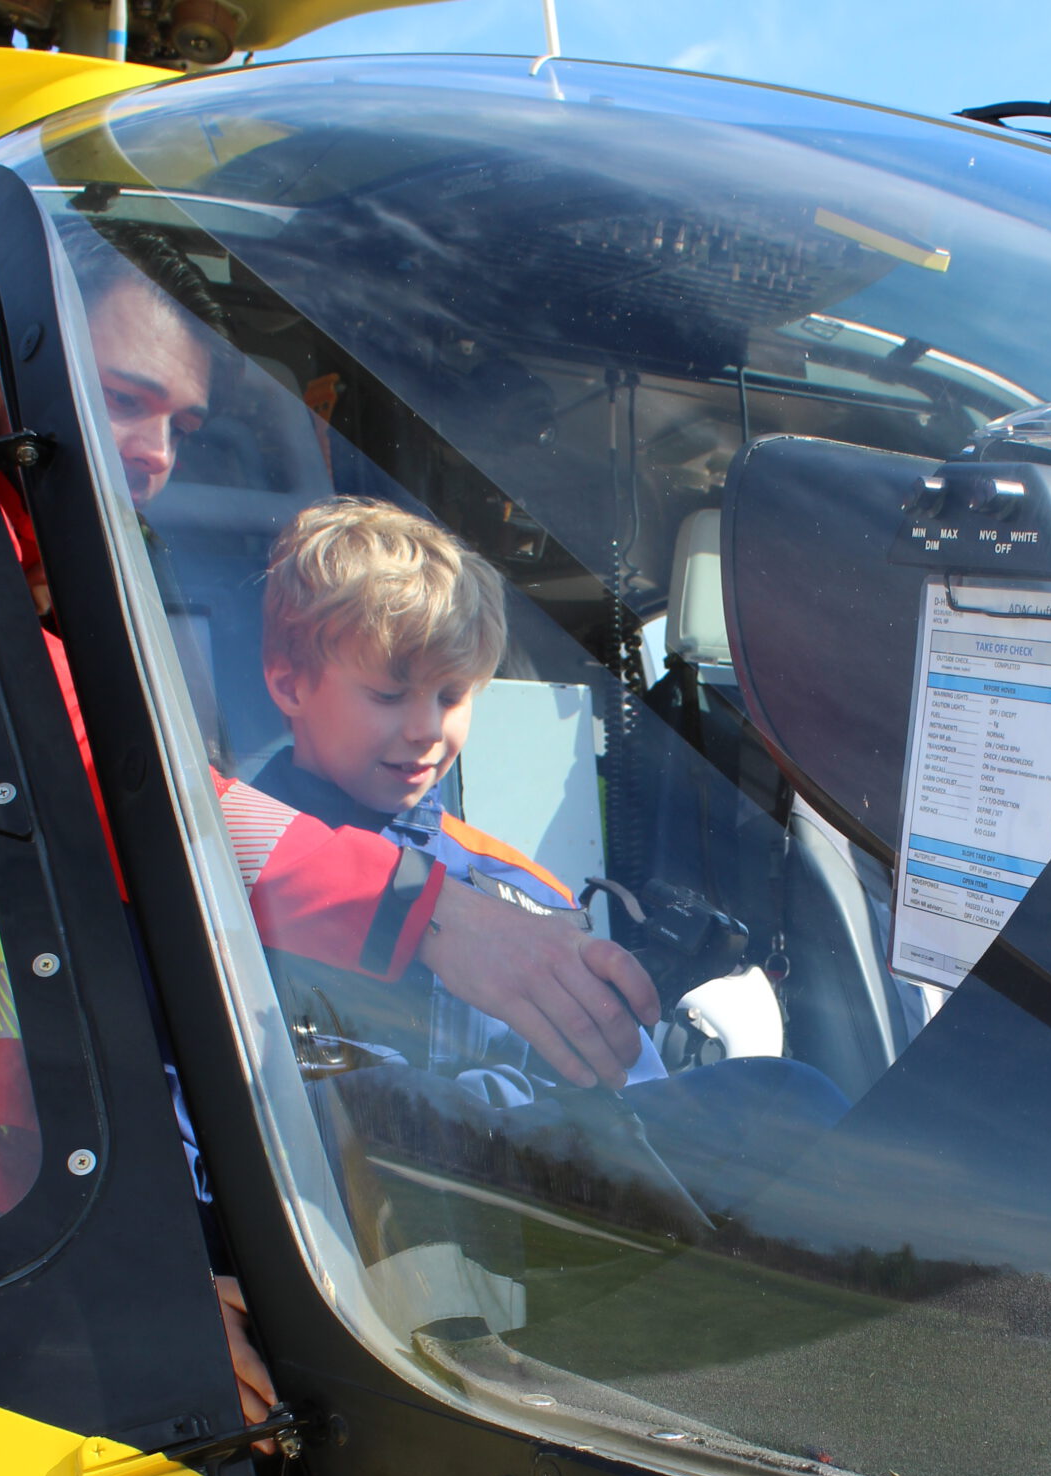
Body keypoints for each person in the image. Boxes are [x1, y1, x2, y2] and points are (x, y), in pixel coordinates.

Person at [0, 226, 661, 1413]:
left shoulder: (31, 544)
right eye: (122, 399)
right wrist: (432, 920)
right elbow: (95, 776)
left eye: (182, 424)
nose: (153, 454)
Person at [253, 496, 846, 1228]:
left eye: (451, 695)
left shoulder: (518, 890)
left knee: (789, 1100)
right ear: (289, 683)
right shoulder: (218, 862)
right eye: (388, 694)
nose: (426, 729)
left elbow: (621, 1090)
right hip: (329, 1218)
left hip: (520, 1200)